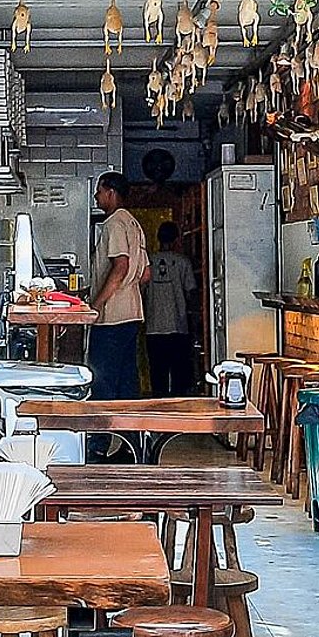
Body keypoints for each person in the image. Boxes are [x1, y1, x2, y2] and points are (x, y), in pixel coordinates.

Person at [85, 175, 149, 451]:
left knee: (102, 382)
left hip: (111, 318)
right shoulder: (134, 224)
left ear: (111, 193)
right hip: (132, 314)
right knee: (126, 385)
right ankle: (130, 447)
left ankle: (99, 445)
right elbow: (144, 274)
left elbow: (120, 266)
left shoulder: (113, 223)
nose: (97, 197)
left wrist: (97, 303)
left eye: (99, 192)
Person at [145, 225, 199, 396]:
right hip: (178, 326)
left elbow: (141, 291)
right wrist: (196, 320)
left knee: (157, 375)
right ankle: (178, 407)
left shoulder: (149, 262)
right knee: (179, 376)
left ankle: (158, 405)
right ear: (177, 239)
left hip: (154, 326)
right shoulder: (183, 262)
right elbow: (191, 292)